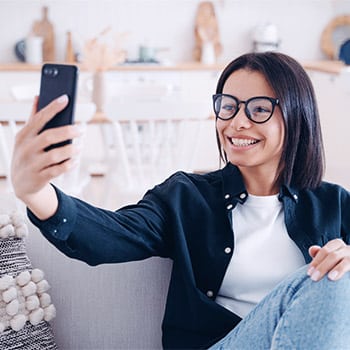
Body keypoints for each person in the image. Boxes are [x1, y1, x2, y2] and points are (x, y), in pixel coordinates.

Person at [11, 52, 350, 349]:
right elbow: (111, 236)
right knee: (325, 278)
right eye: (228, 106)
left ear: (298, 116)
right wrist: (36, 192)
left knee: (336, 274)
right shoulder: (186, 197)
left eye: (259, 109)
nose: (237, 122)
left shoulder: (333, 203)